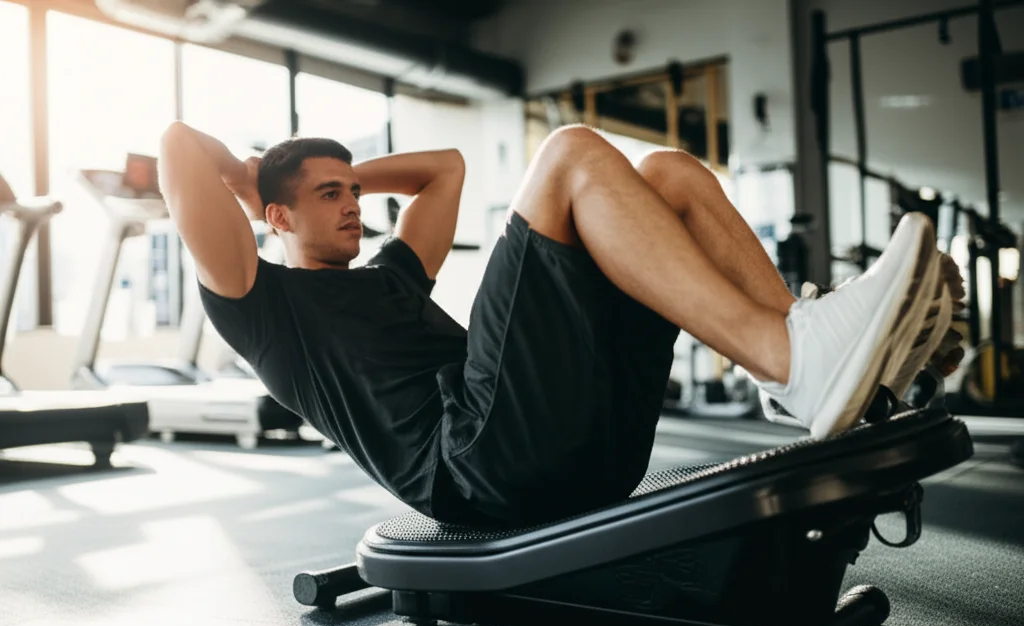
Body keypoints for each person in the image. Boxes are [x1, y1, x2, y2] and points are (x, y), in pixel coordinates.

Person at [157, 122, 955, 527]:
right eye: (329, 196)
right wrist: (254, 174)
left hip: (567, 446)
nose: (353, 206)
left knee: (671, 173)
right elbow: (177, 144)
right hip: (474, 464)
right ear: (274, 215)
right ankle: (793, 359)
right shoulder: (262, 306)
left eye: (353, 193)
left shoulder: (389, 275)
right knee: (569, 151)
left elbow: (447, 170)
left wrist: (329, 169)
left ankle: (802, 365)